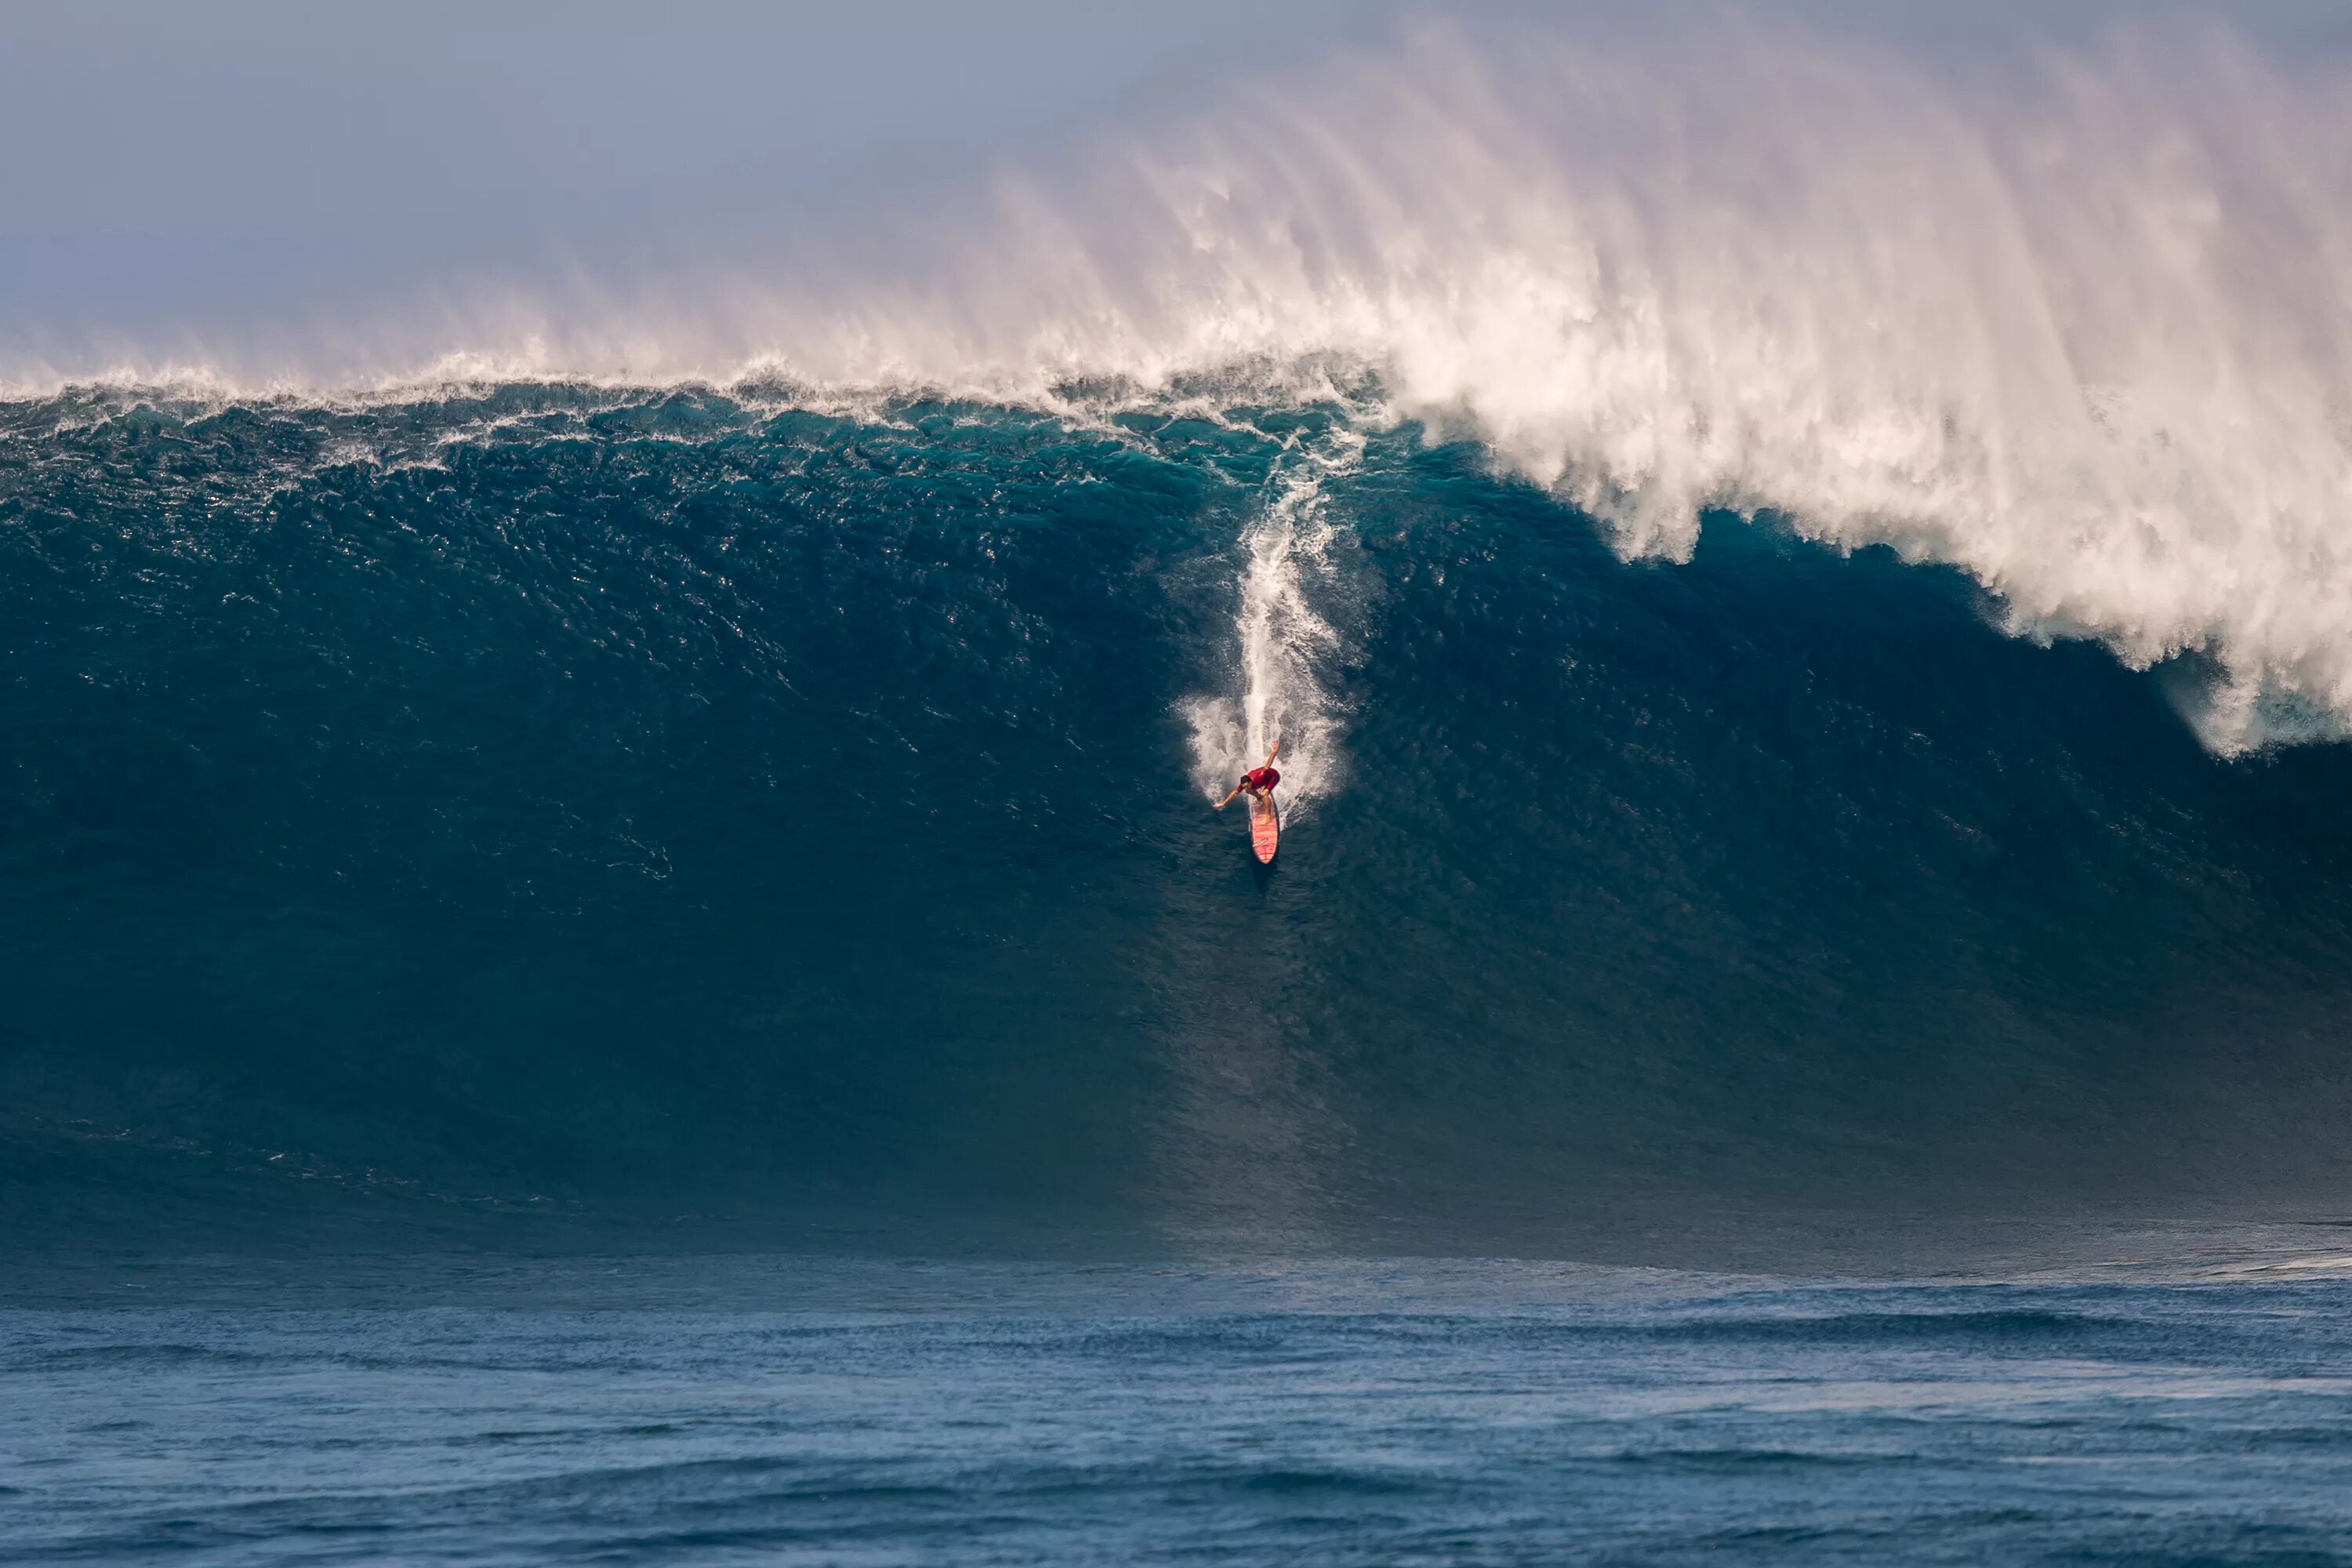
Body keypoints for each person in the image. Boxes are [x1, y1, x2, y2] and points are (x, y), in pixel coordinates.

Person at [1214, 742, 1281, 813]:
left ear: (1251, 782)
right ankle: (1259, 797)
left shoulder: (1261, 775)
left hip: (1274, 777)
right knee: (1248, 791)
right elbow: (1234, 793)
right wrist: (1223, 803)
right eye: (1244, 786)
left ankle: (1267, 816)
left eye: (1247, 786)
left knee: (1265, 794)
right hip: (1263, 780)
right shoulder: (1245, 784)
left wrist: (1275, 751)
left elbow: (1268, 764)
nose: (1245, 788)